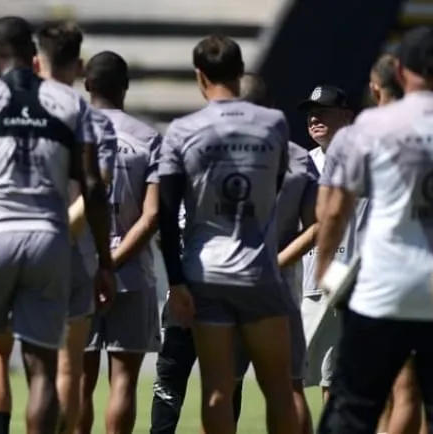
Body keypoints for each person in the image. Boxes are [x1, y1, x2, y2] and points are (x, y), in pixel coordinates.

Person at [0, 16, 114, 434]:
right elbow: (92, 186)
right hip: (48, 240)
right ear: (31, 54)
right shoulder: (69, 103)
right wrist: (104, 262)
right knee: (43, 367)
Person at [157, 34, 296, 434]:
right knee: (278, 389)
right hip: (258, 271)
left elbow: (167, 214)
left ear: (200, 76)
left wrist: (177, 282)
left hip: (204, 273)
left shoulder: (182, 130)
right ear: (240, 72)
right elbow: (278, 181)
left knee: (216, 390)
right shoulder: (274, 123)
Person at [316, 25, 433, 434]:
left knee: (352, 409)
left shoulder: (369, 128)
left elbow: (333, 211)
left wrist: (323, 267)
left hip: (382, 289)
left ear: (401, 72)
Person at [70, 50, 162, 434]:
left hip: (78, 272)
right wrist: (116, 259)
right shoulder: (149, 138)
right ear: (125, 86)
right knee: (123, 379)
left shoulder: (70, 135)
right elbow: (153, 214)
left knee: (78, 380)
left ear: (87, 85)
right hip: (132, 274)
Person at [233, 72, 317, 434]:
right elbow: (316, 226)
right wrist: (279, 261)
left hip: (227, 280)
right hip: (277, 285)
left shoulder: (215, 148)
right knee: (288, 386)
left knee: (221, 387)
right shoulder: (298, 157)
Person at [363, 53, 423, 434]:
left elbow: (333, 210)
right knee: (411, 391)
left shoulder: (370, 131)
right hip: (426, 271)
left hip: (388, 274)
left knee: (395, 388)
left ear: (375, 87)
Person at [298, 84, 357, 403]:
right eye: (310, 113)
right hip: (316, 281)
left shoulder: (368, 156)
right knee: (296, 373)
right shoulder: (303, 162)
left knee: (338, 377)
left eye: (323, 111)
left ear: (346, 115)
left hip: (360, 281)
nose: (315, 118)